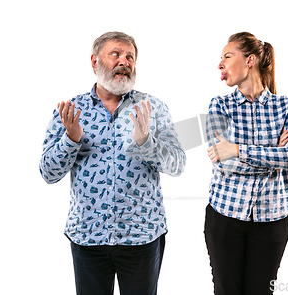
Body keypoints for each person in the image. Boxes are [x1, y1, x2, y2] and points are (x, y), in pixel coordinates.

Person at [39, 31, 186, 295]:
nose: (124, 61)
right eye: (116, 54)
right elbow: (48, 173)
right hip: (87, 237)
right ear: (94, 62)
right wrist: (71, 140)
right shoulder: (71, 110)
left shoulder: (153, 107)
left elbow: (178, 165)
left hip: (142, 236)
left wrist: (146, 142)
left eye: (130, 57)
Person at [204, 32, 288, 295]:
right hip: (225, 217)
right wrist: (273, 156)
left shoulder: (287, 106)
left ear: (250, 60)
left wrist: (236, 149)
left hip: (272, 219)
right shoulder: (219, 105)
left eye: (227, 56)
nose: (220, 64)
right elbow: (224, 165)